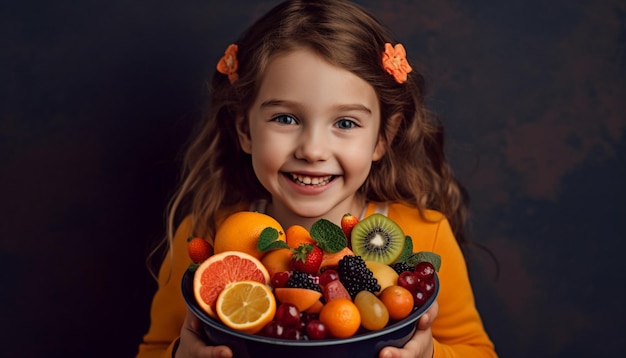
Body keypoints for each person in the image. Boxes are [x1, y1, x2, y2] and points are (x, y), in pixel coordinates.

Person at [137, 0, 497, 357]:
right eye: (285, 118)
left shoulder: (425, 233)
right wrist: (179, 354)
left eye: (345, 123)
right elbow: (153, 349)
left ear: (383, 137)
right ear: (245, 129)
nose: (312, 150)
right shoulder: (204, 235)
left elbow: (477, 350)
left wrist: (430, 354)